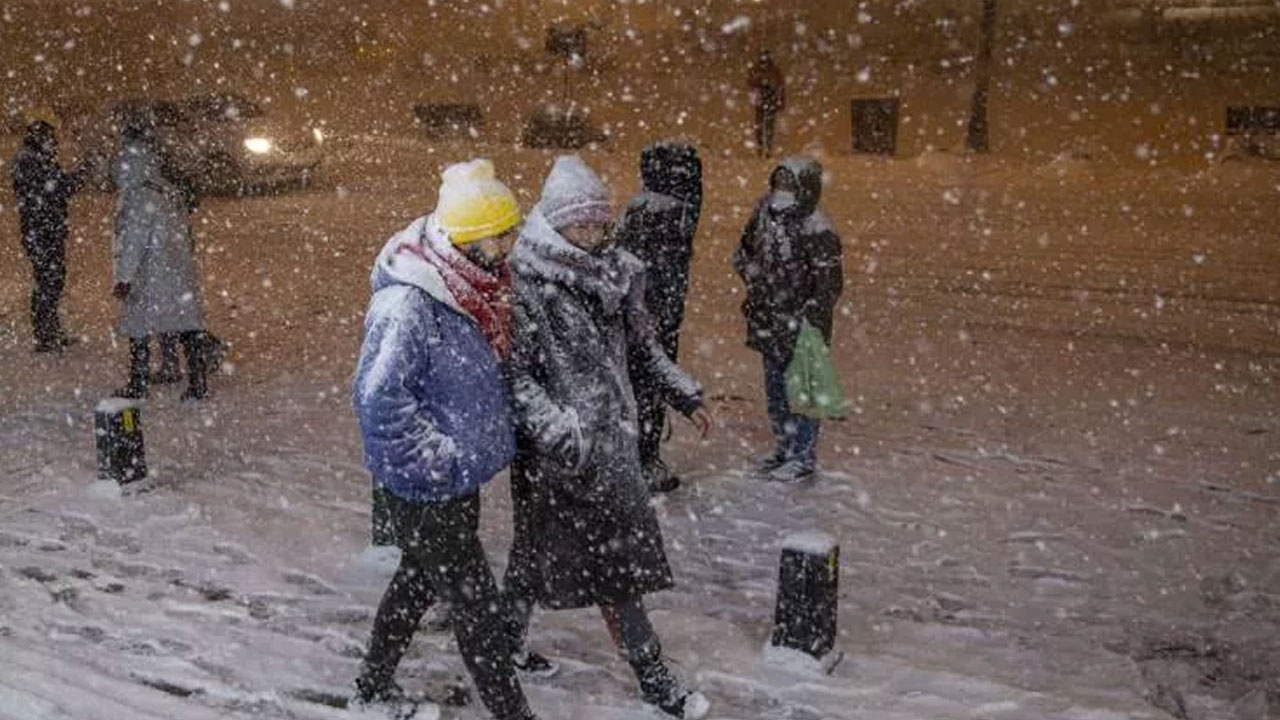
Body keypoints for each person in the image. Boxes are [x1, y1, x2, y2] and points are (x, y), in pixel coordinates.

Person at [503, 155, 713, 720]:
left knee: (548, 555)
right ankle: (653, 677)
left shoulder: (616, 273)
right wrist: (559, 429)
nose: (593, 235)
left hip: (611, 446)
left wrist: (683, 392)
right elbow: (515, 376)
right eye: (581, 224)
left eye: (599, 224)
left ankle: (506, 642)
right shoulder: (527, 284)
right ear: (552, 223)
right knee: (600, 565)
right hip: (559, 456)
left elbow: (645, 347)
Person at [351, 159, 539, 720]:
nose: (510, 246)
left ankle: (370, 686)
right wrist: (435, 462)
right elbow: (378, 400)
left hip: (456, 477)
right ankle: (513, 713)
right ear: (469, 238)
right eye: (501, 235)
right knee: (477, 607)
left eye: (512, 231)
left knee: (416, 580)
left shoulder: (474, 288)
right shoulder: (409, 302)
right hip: (427, 483)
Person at [732, 156, 843, 483]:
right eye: (778, 183)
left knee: (804, 393)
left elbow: (829, 284)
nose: (782, 191)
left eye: (789, 185)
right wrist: (754, 278)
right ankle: (784, 445)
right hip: (768, 318)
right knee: (776, 390)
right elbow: (743, 252)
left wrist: (808, 316)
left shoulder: (818, 228)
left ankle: (802, 454)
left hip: (802, 326)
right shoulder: (764, 215)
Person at [613, 141, 703, 493]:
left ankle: (639, 457)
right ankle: (644, 460)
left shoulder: (639, 207)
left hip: (640, 316)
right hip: (650, 319)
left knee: (639, 388)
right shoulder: (670, 212)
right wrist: (658, 317)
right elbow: (658, 273)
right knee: (649, 390)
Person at [111, 115, 209, 401]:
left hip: (151, 273)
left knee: (139, 326)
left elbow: (132, 242)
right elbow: (186, 235)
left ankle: (137, 383)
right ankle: (197, 382)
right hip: (177, 270)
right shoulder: (166, 189)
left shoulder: (139, 197)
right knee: (187, 325)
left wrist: (124, 278)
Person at [9, 117, 84, 353]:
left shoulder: (37, 159)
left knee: (53, 279)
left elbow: (56, 186)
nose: (55, 143)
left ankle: (50, 330)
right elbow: (54, 188)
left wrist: (74, 179)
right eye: (51, 138)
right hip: (41, 230)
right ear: (41, 138)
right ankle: (44, 334)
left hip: (45, 229)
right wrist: (79, 177)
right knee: (47, 280)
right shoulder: (30, 161)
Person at [747, 50, 785, 157]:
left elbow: (780, 86)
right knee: (763, 126)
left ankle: (766, 148)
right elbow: (750, 83)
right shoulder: (758, 69)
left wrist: (781, 100)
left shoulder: (772, 70)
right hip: (762, 99)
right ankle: (762, 148)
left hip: (768, 98)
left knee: (767, 126)